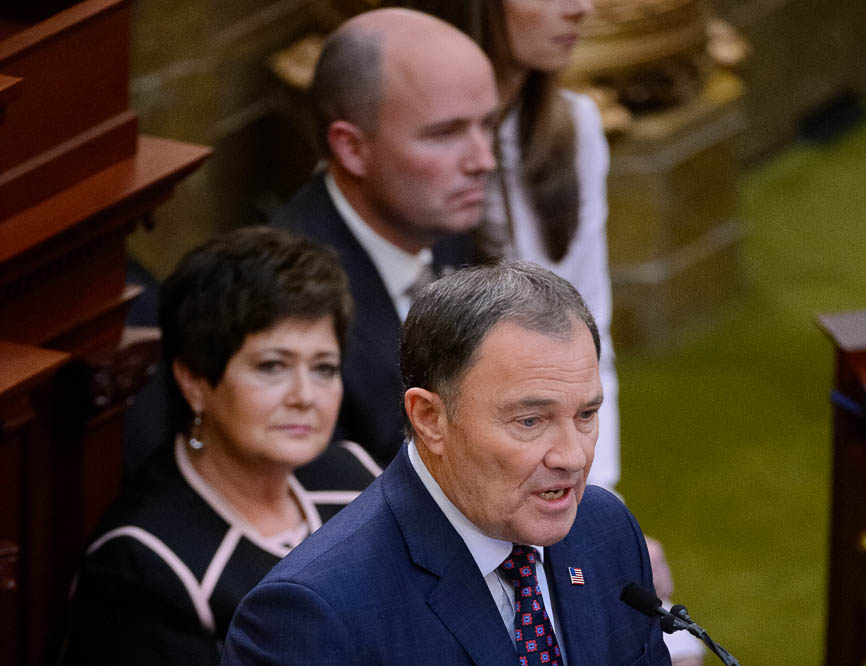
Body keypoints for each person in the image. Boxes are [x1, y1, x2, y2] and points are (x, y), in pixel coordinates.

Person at [223, 262, 672, 664]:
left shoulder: (606, 531)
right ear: (430, 419)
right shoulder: (312, 616)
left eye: (586, 415)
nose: (572, 455)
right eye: (531, 420)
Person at [60, 227, 381, 665]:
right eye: (272, 366)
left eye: (324, 368)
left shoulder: (357, 480)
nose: (305, 395)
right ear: (194, 380)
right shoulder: (141, 563)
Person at [395, 0, 621, 493]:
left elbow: (588, 338)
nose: (581, 8)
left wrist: (590, 492)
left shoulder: (574, 126)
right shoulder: (408, 166)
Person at [272, 7, 499, 468]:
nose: (483, 160)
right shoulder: (285, 300)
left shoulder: (444, 226)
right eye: (445, 134)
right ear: (352, 148)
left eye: (487, 125)